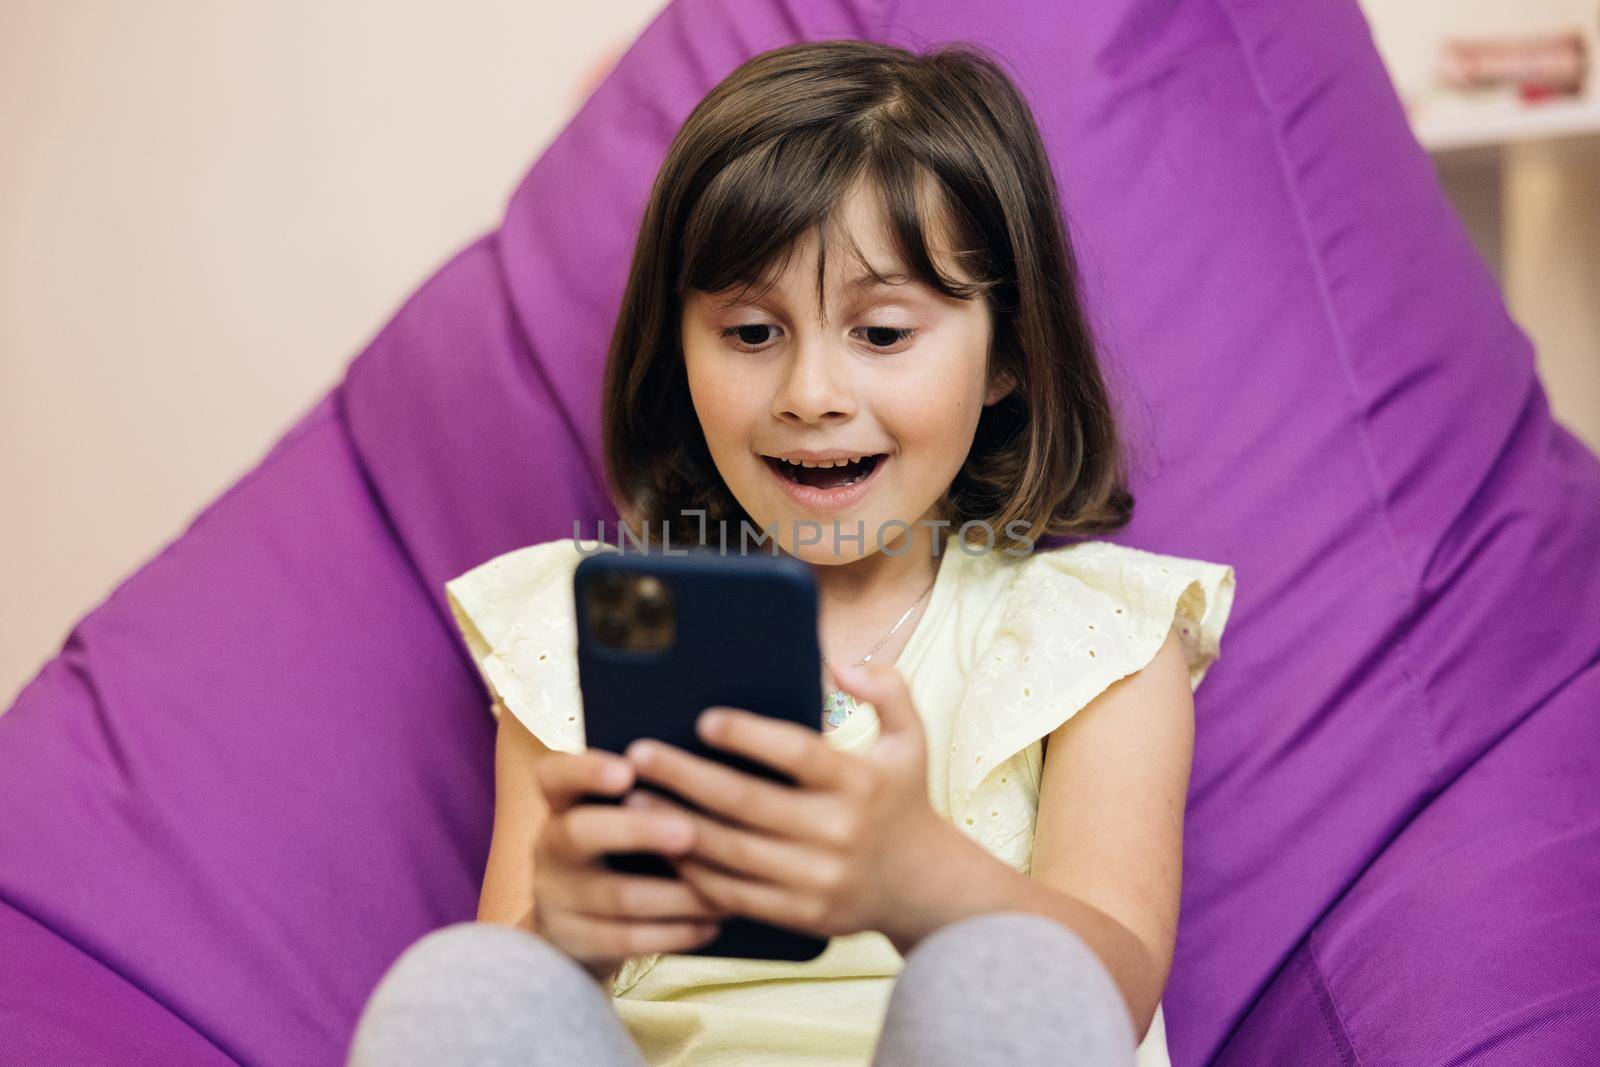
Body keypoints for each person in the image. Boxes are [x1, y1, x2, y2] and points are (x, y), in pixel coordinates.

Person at [349, 37, 1236, 1067]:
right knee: (460, 987)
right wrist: (567, 930)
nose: (811, 393)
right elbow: (512, 1002)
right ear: (677, 353)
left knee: (1001, 985)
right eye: (752, 333)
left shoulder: (1090, 633)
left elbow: (1111, 996)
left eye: (884, 332)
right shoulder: (589, 622)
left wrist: (924, 880)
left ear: (1007, 357)